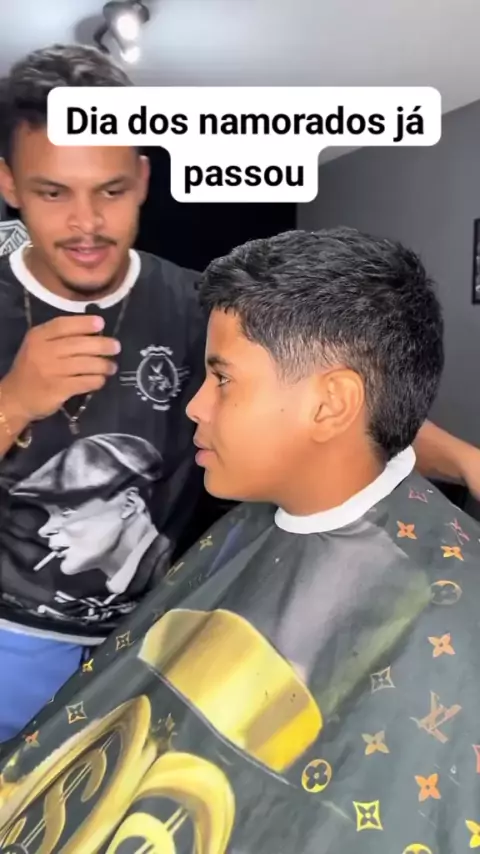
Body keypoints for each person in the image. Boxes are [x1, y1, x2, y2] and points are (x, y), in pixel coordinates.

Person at [2, 227, 480, 854]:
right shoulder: (253, 524)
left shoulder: (446, 616)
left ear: (329, 405)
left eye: (222, 380)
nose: (195, 408)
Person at [0, 44, 207, 741]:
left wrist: (465, 461)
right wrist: (13, 401)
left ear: (142, 178)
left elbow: (315, 401)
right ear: (8, 183)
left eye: (110, 191)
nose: (86, 224)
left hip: (151, 644)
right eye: (53, 193)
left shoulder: (198, 302)